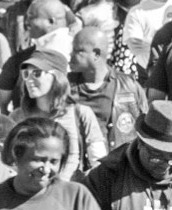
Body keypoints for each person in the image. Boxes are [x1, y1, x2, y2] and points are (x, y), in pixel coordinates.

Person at [11, 48, 108, 181]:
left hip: (67, 195)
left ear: (57, 77)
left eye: (37, 73)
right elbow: (8, 165)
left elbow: (99, 163)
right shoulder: (17, 117)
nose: (29, 80)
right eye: (26, 74)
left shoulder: (81, 114)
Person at [70, 25, 149, 149]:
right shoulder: (66, 87)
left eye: (78, 51)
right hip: (79, 164)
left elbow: (145, 126)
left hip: (116, 163)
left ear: (96, 54)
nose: (71, 55)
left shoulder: (129, 86)